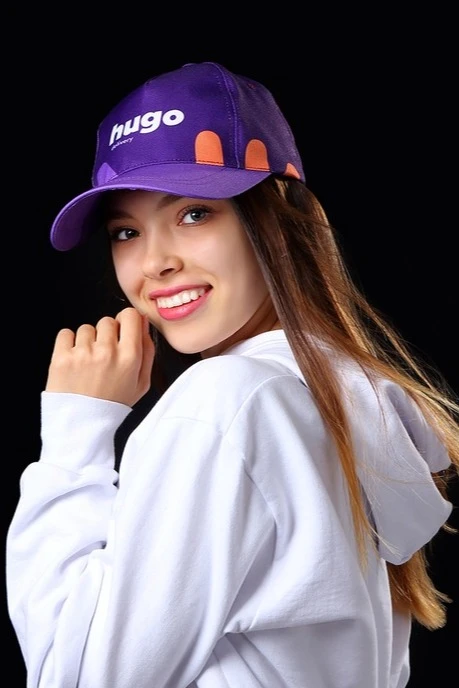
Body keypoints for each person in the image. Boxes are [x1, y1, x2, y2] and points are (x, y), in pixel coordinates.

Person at [6, 61, 459, 688]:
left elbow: (75, 677)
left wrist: (74, 434)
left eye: (194, 213)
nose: (155, 263)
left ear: (277, 221)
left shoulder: (224, 403)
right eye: (126, 231)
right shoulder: (349, 393)